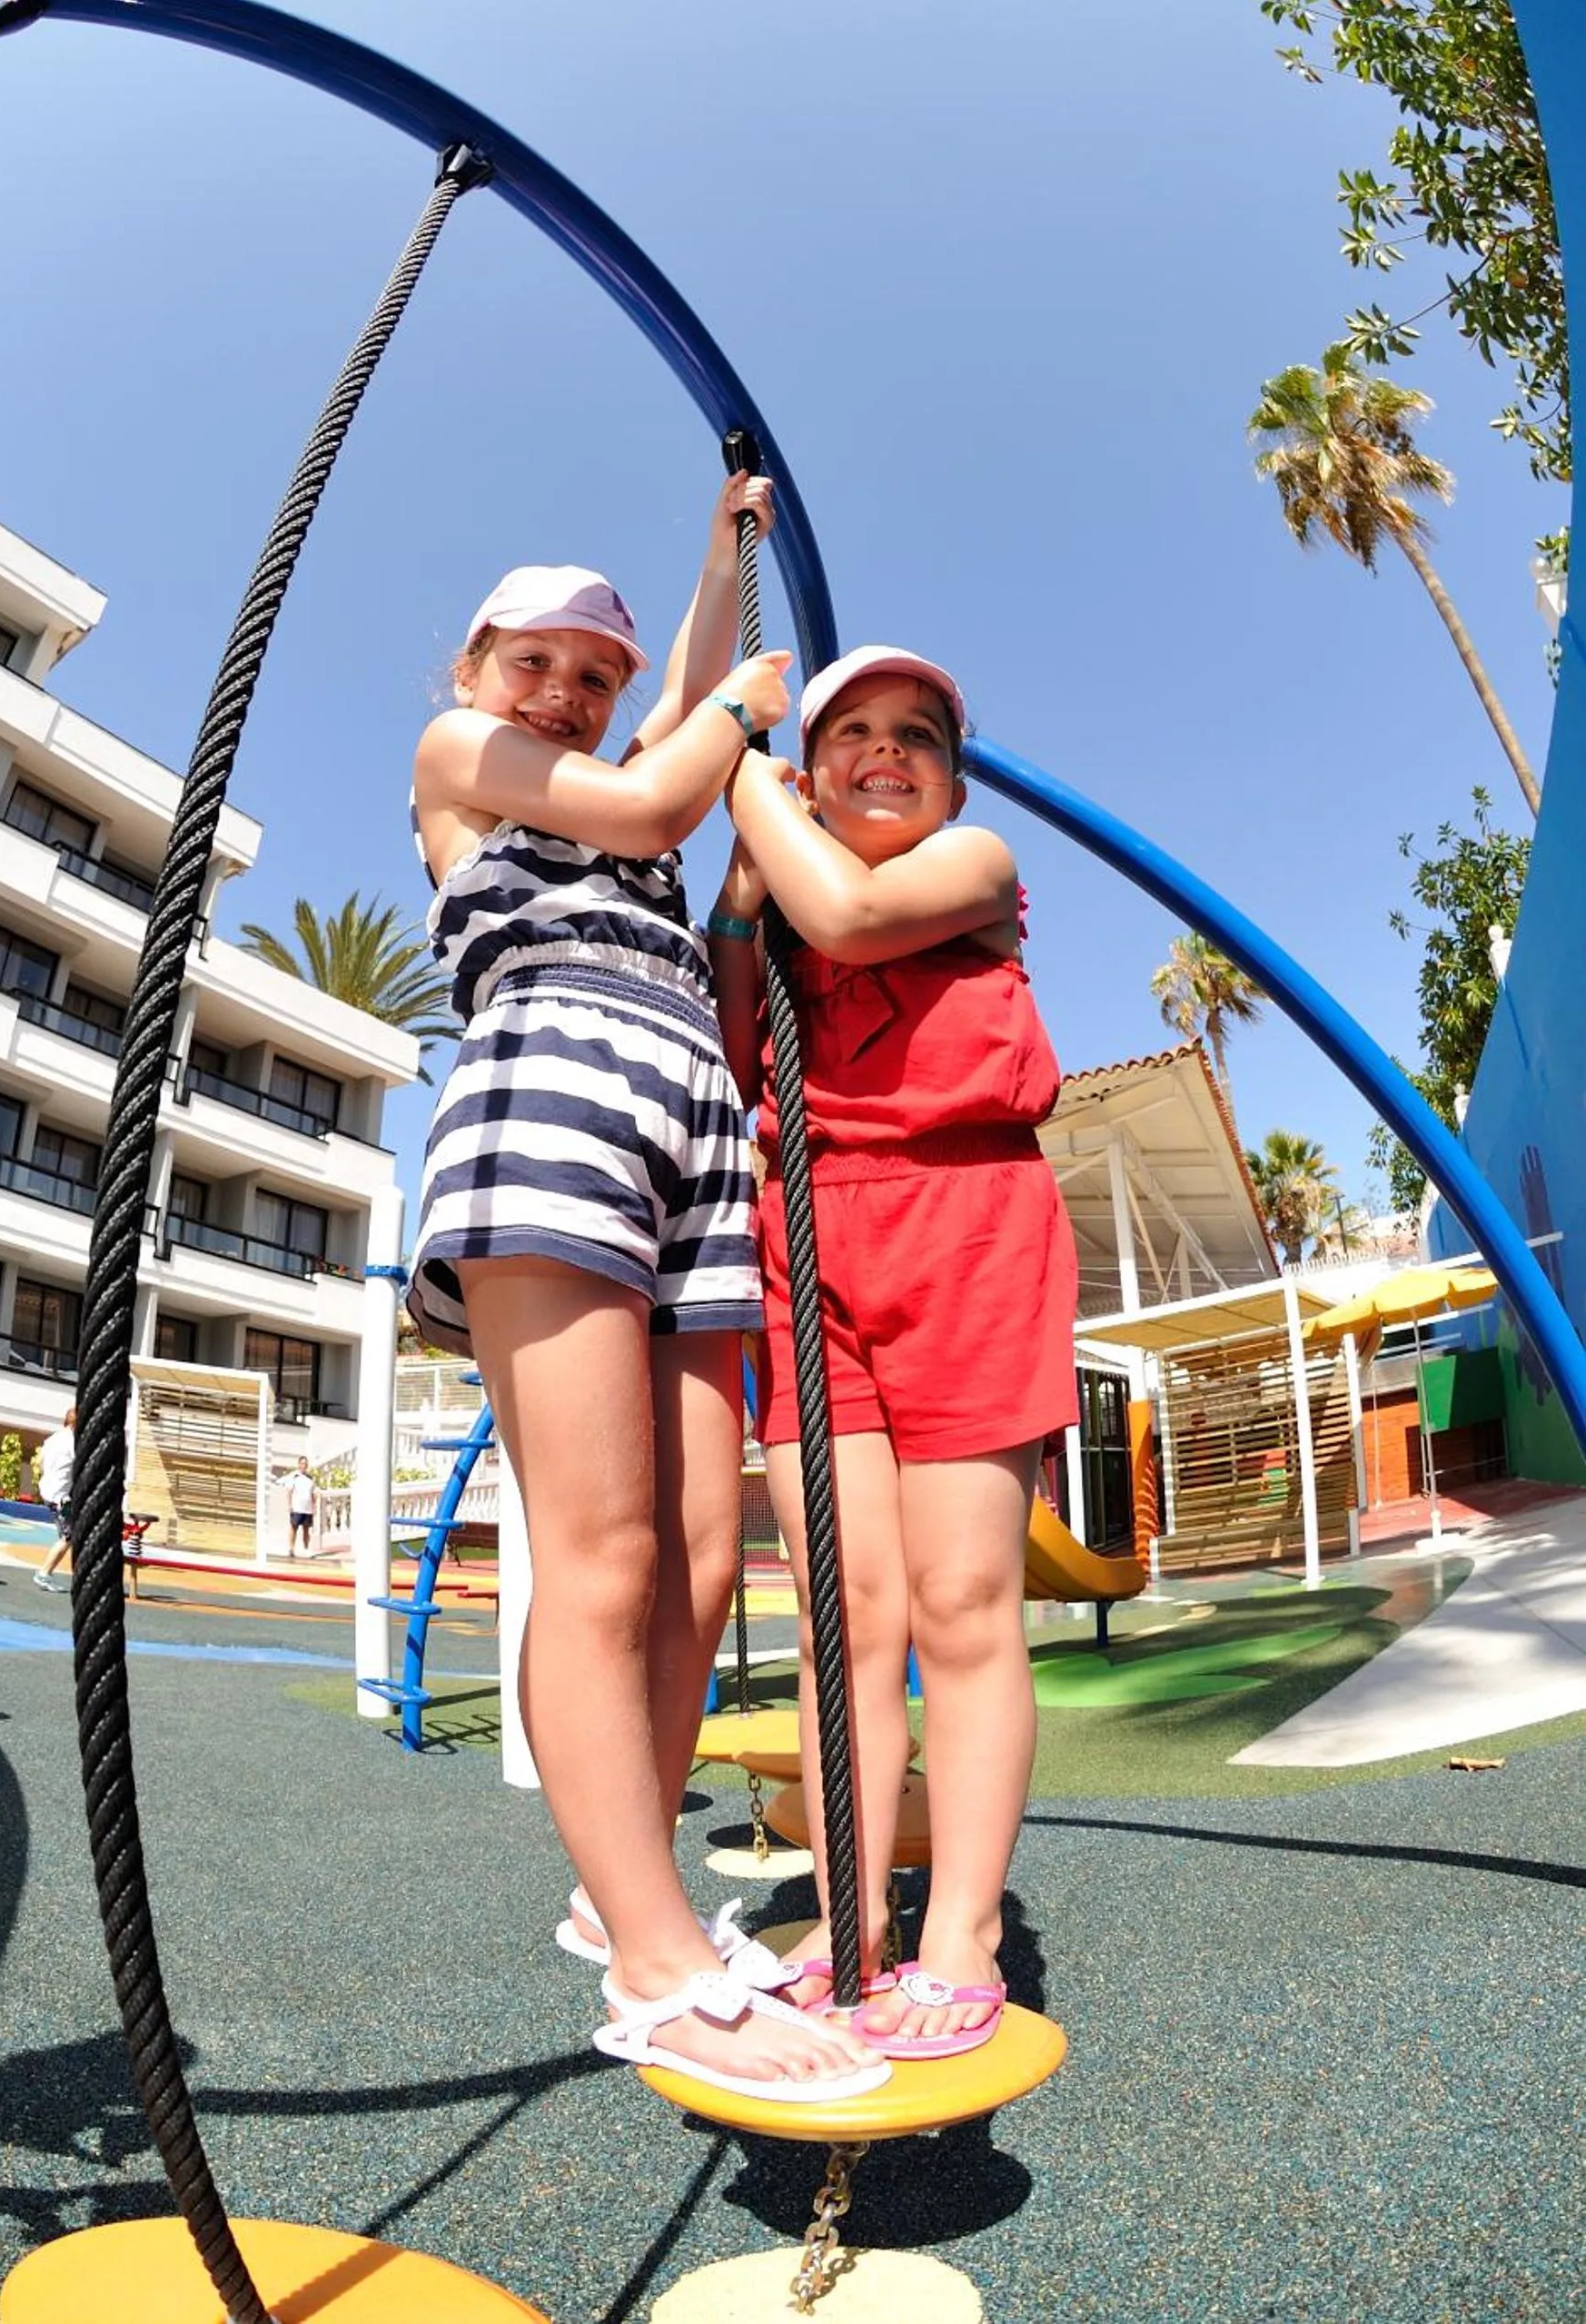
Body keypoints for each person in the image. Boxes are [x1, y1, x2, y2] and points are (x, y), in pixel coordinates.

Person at [404, 472, 886, 2107]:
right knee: (600, 1550)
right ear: (473, 666)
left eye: (590, 679)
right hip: (553, 1098)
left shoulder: (632, 752)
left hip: (689, 1127)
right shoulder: (467, 764)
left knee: (696, 1553)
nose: (565, 692)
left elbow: (679, 715)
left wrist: (719, 559)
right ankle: (654, 1950)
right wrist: (735, 709)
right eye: (534, 660)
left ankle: (619, 1887)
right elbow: (658, 793)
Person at [710, 643, 1079, 2059]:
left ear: (953, 771)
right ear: (816, 768)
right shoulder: (786, 897)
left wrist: (738, 774)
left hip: (969, 1219)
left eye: (913, 733)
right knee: (839, 1610)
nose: (883, 751)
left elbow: (858, 913)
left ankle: (962, 1928)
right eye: (850, 730)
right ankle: (850, 1912)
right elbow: (743, 1045)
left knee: (963, 1595)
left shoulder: (970, 863)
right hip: (810, 1232)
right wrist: (742, 901)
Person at [33, 1406, 76, 1590]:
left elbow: (39, 1461)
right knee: (69, 1536)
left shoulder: (53, 1438)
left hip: (49, 1491)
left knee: (69, 1534)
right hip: (60, 1497)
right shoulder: (72, 1442)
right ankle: (44, 1574)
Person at [285, 1457, 317, 1557]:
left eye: (305, 1464)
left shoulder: (310, 1478)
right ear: (299, 1464)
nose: (304, 1465)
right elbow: (289, 1492)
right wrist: (289, 1505)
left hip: (307, 1509)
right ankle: (291, 1549)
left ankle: (306, 1549)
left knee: (306, 1530)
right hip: (297, 1507)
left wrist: (314, 1506)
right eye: (302, 1463)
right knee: (294, 1528)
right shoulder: (294, 1477)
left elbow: (312, 1494)